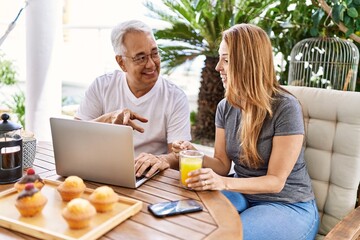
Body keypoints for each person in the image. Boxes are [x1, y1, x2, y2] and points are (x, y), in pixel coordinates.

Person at [172, 24, 319, 240]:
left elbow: (275, 181)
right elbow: (222, 165)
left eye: (226, 60)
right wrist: (193, 152)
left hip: (286, 203)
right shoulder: (226, 106)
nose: (218, 67)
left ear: (247, 63)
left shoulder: (285, 108)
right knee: (188, 222)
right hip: (241, 193)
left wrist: (224, 183)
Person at [75, 20, 191, 177]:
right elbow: (74, 137)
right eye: (141, 58)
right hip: (102, 172)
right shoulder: (102, 86)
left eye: (155, 53)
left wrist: (158, 159)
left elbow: (178, 155)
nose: (151, 64)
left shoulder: (175, 97)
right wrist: (107, 119)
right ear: (121, 62)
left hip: (150, 178)